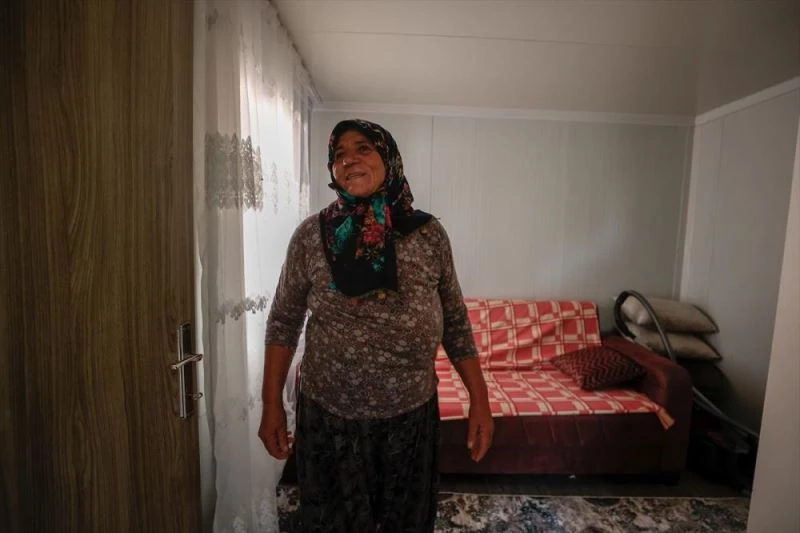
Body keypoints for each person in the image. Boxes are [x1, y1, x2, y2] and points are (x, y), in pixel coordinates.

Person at [259, 119, 493, 532]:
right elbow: (283, 321)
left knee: (405, 523)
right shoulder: (311, 236)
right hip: (330, 418)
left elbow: (456, 322)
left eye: (362, 148)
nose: (349, 160)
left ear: (388, 157)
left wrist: (480, 400)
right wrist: (271, 404)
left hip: (411, 417)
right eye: (338, 155)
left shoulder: (429, 235)